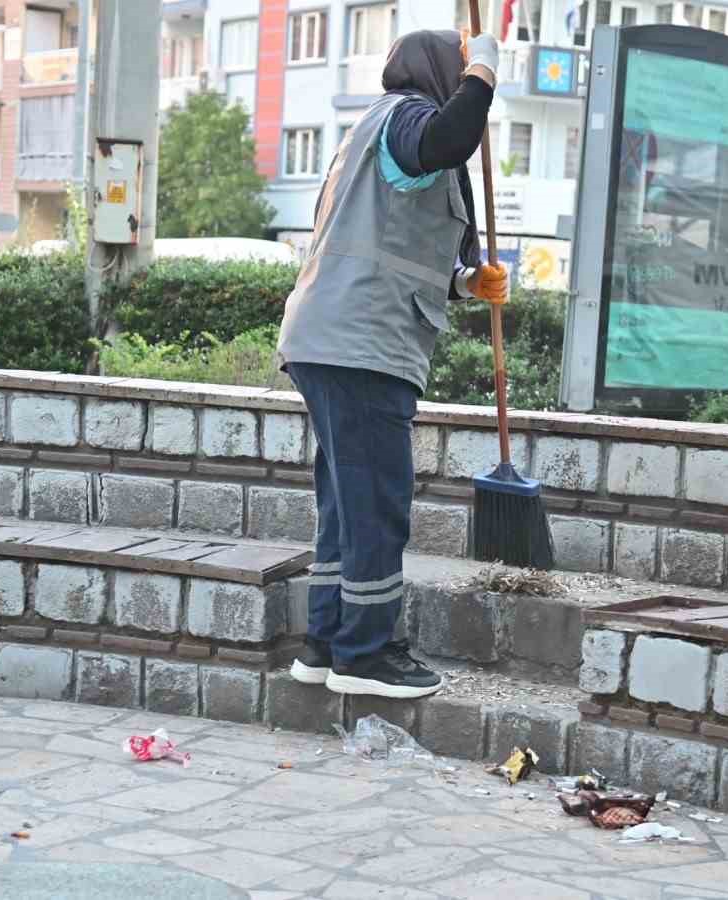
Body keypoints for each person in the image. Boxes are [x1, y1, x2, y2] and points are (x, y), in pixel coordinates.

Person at [276, 29, 508, 700]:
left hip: (329, 337)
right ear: (439, 74)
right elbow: (447, 139)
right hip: (362, 344)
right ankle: (366, 655)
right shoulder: (409, 117)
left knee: (347, 505)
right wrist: (485, 74)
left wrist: (467, 284)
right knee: (376, 500)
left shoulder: (369, 133)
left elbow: (393, 237)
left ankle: (325, 644)